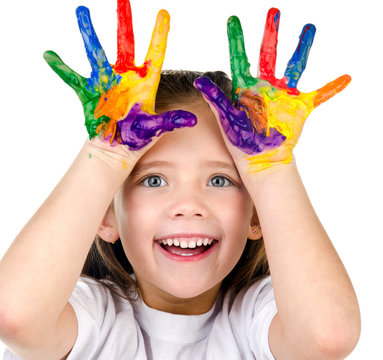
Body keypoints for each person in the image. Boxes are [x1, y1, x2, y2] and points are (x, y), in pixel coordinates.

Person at [0, 1, 360, 359]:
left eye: (219, 180)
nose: (189, 206)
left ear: (256, 215)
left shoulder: (259, 319)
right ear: (105, 216)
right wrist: (107, 156)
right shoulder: (92, 316)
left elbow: (326, 338)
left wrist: (272, 168)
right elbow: (14, 315)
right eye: (154, 181)